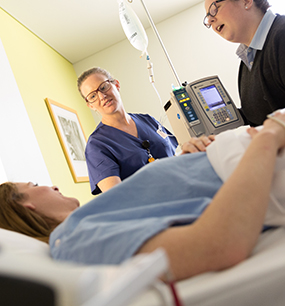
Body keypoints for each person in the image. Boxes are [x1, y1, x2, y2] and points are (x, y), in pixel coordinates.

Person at [1, 110, 285, 282]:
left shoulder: (93, 217)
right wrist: (269, 136)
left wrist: (183, 160)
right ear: (26, 205)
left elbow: (168, 201)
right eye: (34, 183)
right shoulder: (72, 240)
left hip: (242, 154)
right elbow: (221, 243)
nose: (50, 185)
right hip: (259, 156)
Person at [77, 67, 178, 194]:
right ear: (90, 105)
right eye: (92, 96)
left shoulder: (148, 120)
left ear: (116, 85)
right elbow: (117, 197)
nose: (102, 96)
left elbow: (175, 158)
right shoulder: (97, 145)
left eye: (103, 87)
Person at [204, 0, 285, 127]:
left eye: (214, 9)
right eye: (207, 18)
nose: (210, 20)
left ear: (246, 1)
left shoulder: (281, 34)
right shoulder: (246, 62)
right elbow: (258, 118)